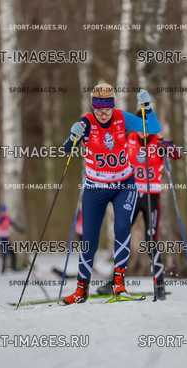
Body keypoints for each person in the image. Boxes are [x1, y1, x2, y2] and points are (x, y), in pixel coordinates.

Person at [61, 82, 162, 304]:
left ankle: (119, 286)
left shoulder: (122, 118)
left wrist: (147, 107)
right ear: (93, 106)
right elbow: (66, 150)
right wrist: (72, 136)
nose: (103, 113)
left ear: (113, 105)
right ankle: (81, 290)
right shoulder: (86, 122)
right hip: (95, 187)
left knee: (122, 228)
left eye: (107, 107)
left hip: (123, 185)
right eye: (98, 108)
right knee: (89, 239)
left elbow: (153, 128)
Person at [125, 129, 180, 300]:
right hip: (132, 194)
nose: (143, 131)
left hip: (152, 196)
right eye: (139, 127)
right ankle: (115, 281)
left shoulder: (158, 141)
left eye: (146, 127)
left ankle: (159, 284)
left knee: (151, 240)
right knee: (121, 234)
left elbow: (177, 155)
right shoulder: (128, 139)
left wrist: (168, 146)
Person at [0, 204, 23, 273]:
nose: (4, 213)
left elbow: (13, 224)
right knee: (4, 253)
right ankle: (3, 270)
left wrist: (20, 229)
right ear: (0, 212)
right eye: (2, 211)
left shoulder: (7, 218)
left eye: (5, 211)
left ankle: (13, 267)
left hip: (6, 238)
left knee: (12, 252)